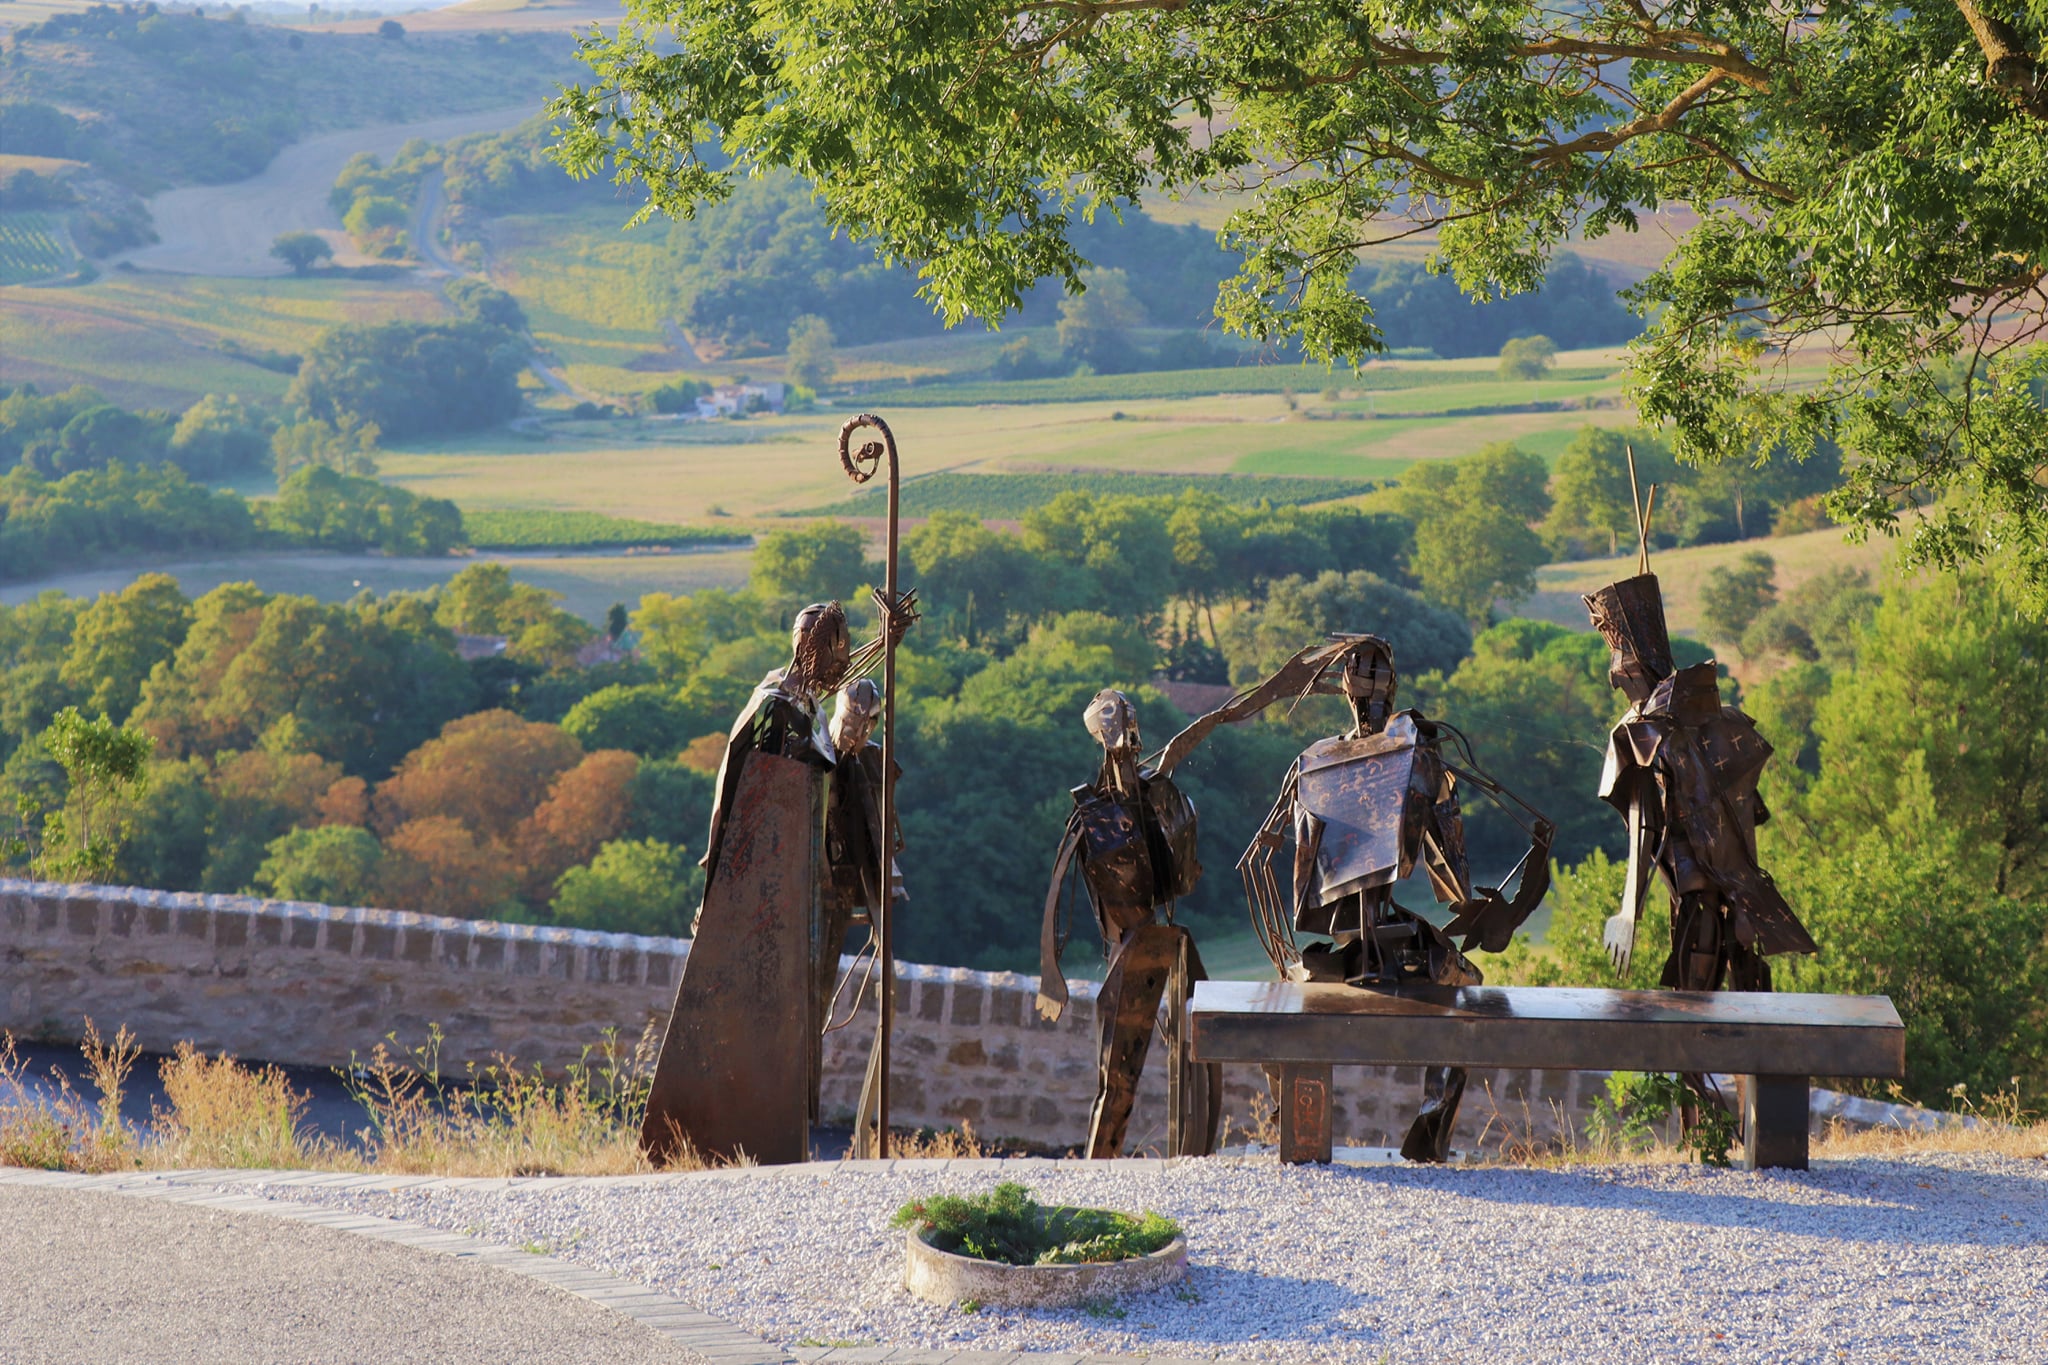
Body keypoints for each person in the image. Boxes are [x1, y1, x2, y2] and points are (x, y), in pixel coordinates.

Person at [1231, 634, 1554, 1160]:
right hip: (1402, 951)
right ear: (1389, 690)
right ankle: (1428, 1141)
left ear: (1344, 693)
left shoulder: (1315, 762)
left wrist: (1283, 955)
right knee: (1468, 987)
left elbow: (1257, 863)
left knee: (1284, 996)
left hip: (1335, 955)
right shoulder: (1417, 760)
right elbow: (1453, 877)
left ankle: (1298, 1128)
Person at [640, 596, 910, 1165]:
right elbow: (741, 795)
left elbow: (845, 678)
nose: (841, 674)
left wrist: (886, 644)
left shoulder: (803, 695)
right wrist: (718, 887)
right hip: (757, 888)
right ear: (814, 654)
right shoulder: (775, 708)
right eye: (835, 657)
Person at [1581, 573, 1817, 993]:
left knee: (1700, 988)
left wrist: (1628, 912)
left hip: (1700, 894)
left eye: (1621, 664)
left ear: (1637, 666)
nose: (1615, 677)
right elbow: (1740, 814)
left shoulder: (1644, 732)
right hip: (1719, 893)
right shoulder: (1719, 722)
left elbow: (1645, 827)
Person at [1036, 689, 1221, 1158]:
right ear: (1102, 737)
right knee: (1117, 1076)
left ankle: (1198, 1152)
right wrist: (1051, 975)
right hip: (1129, 949)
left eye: (1130, 727)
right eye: (1117, 728)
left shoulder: (1157, 794)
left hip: (1165, 940)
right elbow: (1059, 890)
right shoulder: (1090, 812)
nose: (1127, 741)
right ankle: (1101, 1164)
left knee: (1208, 1038)